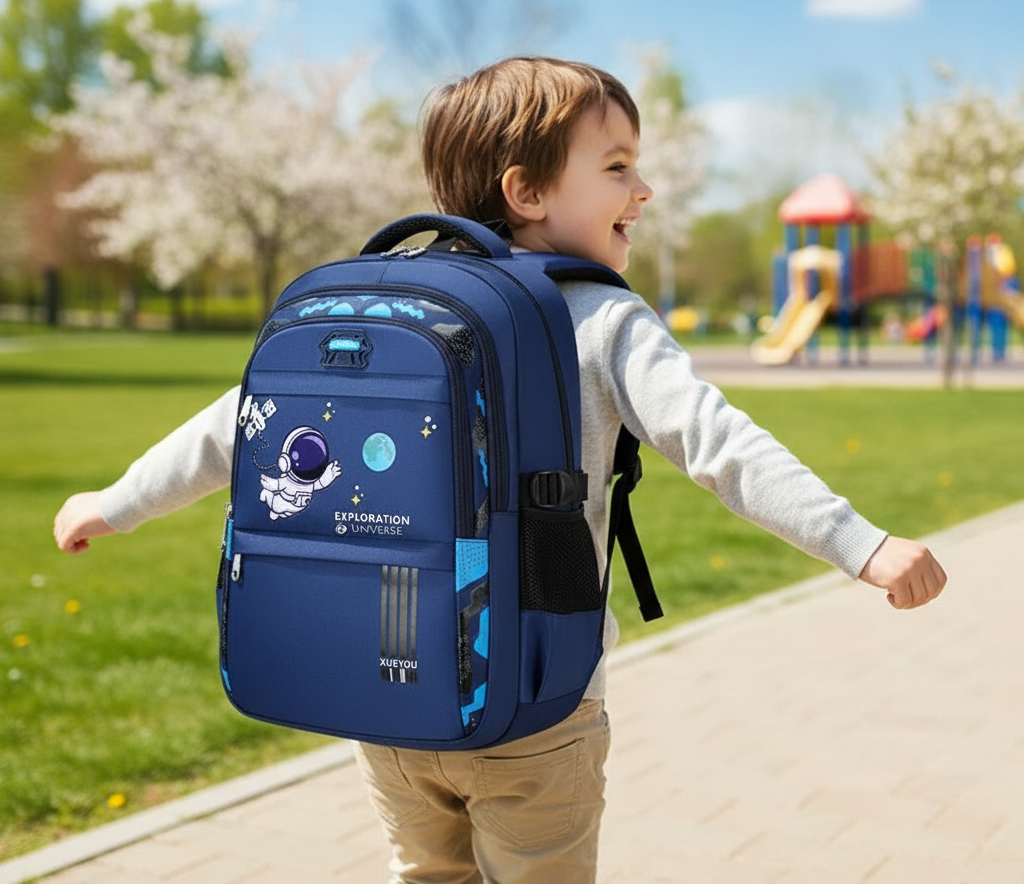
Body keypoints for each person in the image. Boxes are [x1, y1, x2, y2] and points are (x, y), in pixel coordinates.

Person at [54, 57, 947, 884]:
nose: (645, 189)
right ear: (525, 191)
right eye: (617, 167)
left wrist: (116, 502)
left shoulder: (385, 300)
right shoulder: (600, 319)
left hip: (386, 692)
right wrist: (860, 545)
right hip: (538, 714)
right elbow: (720, 444)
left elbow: (237, 429)